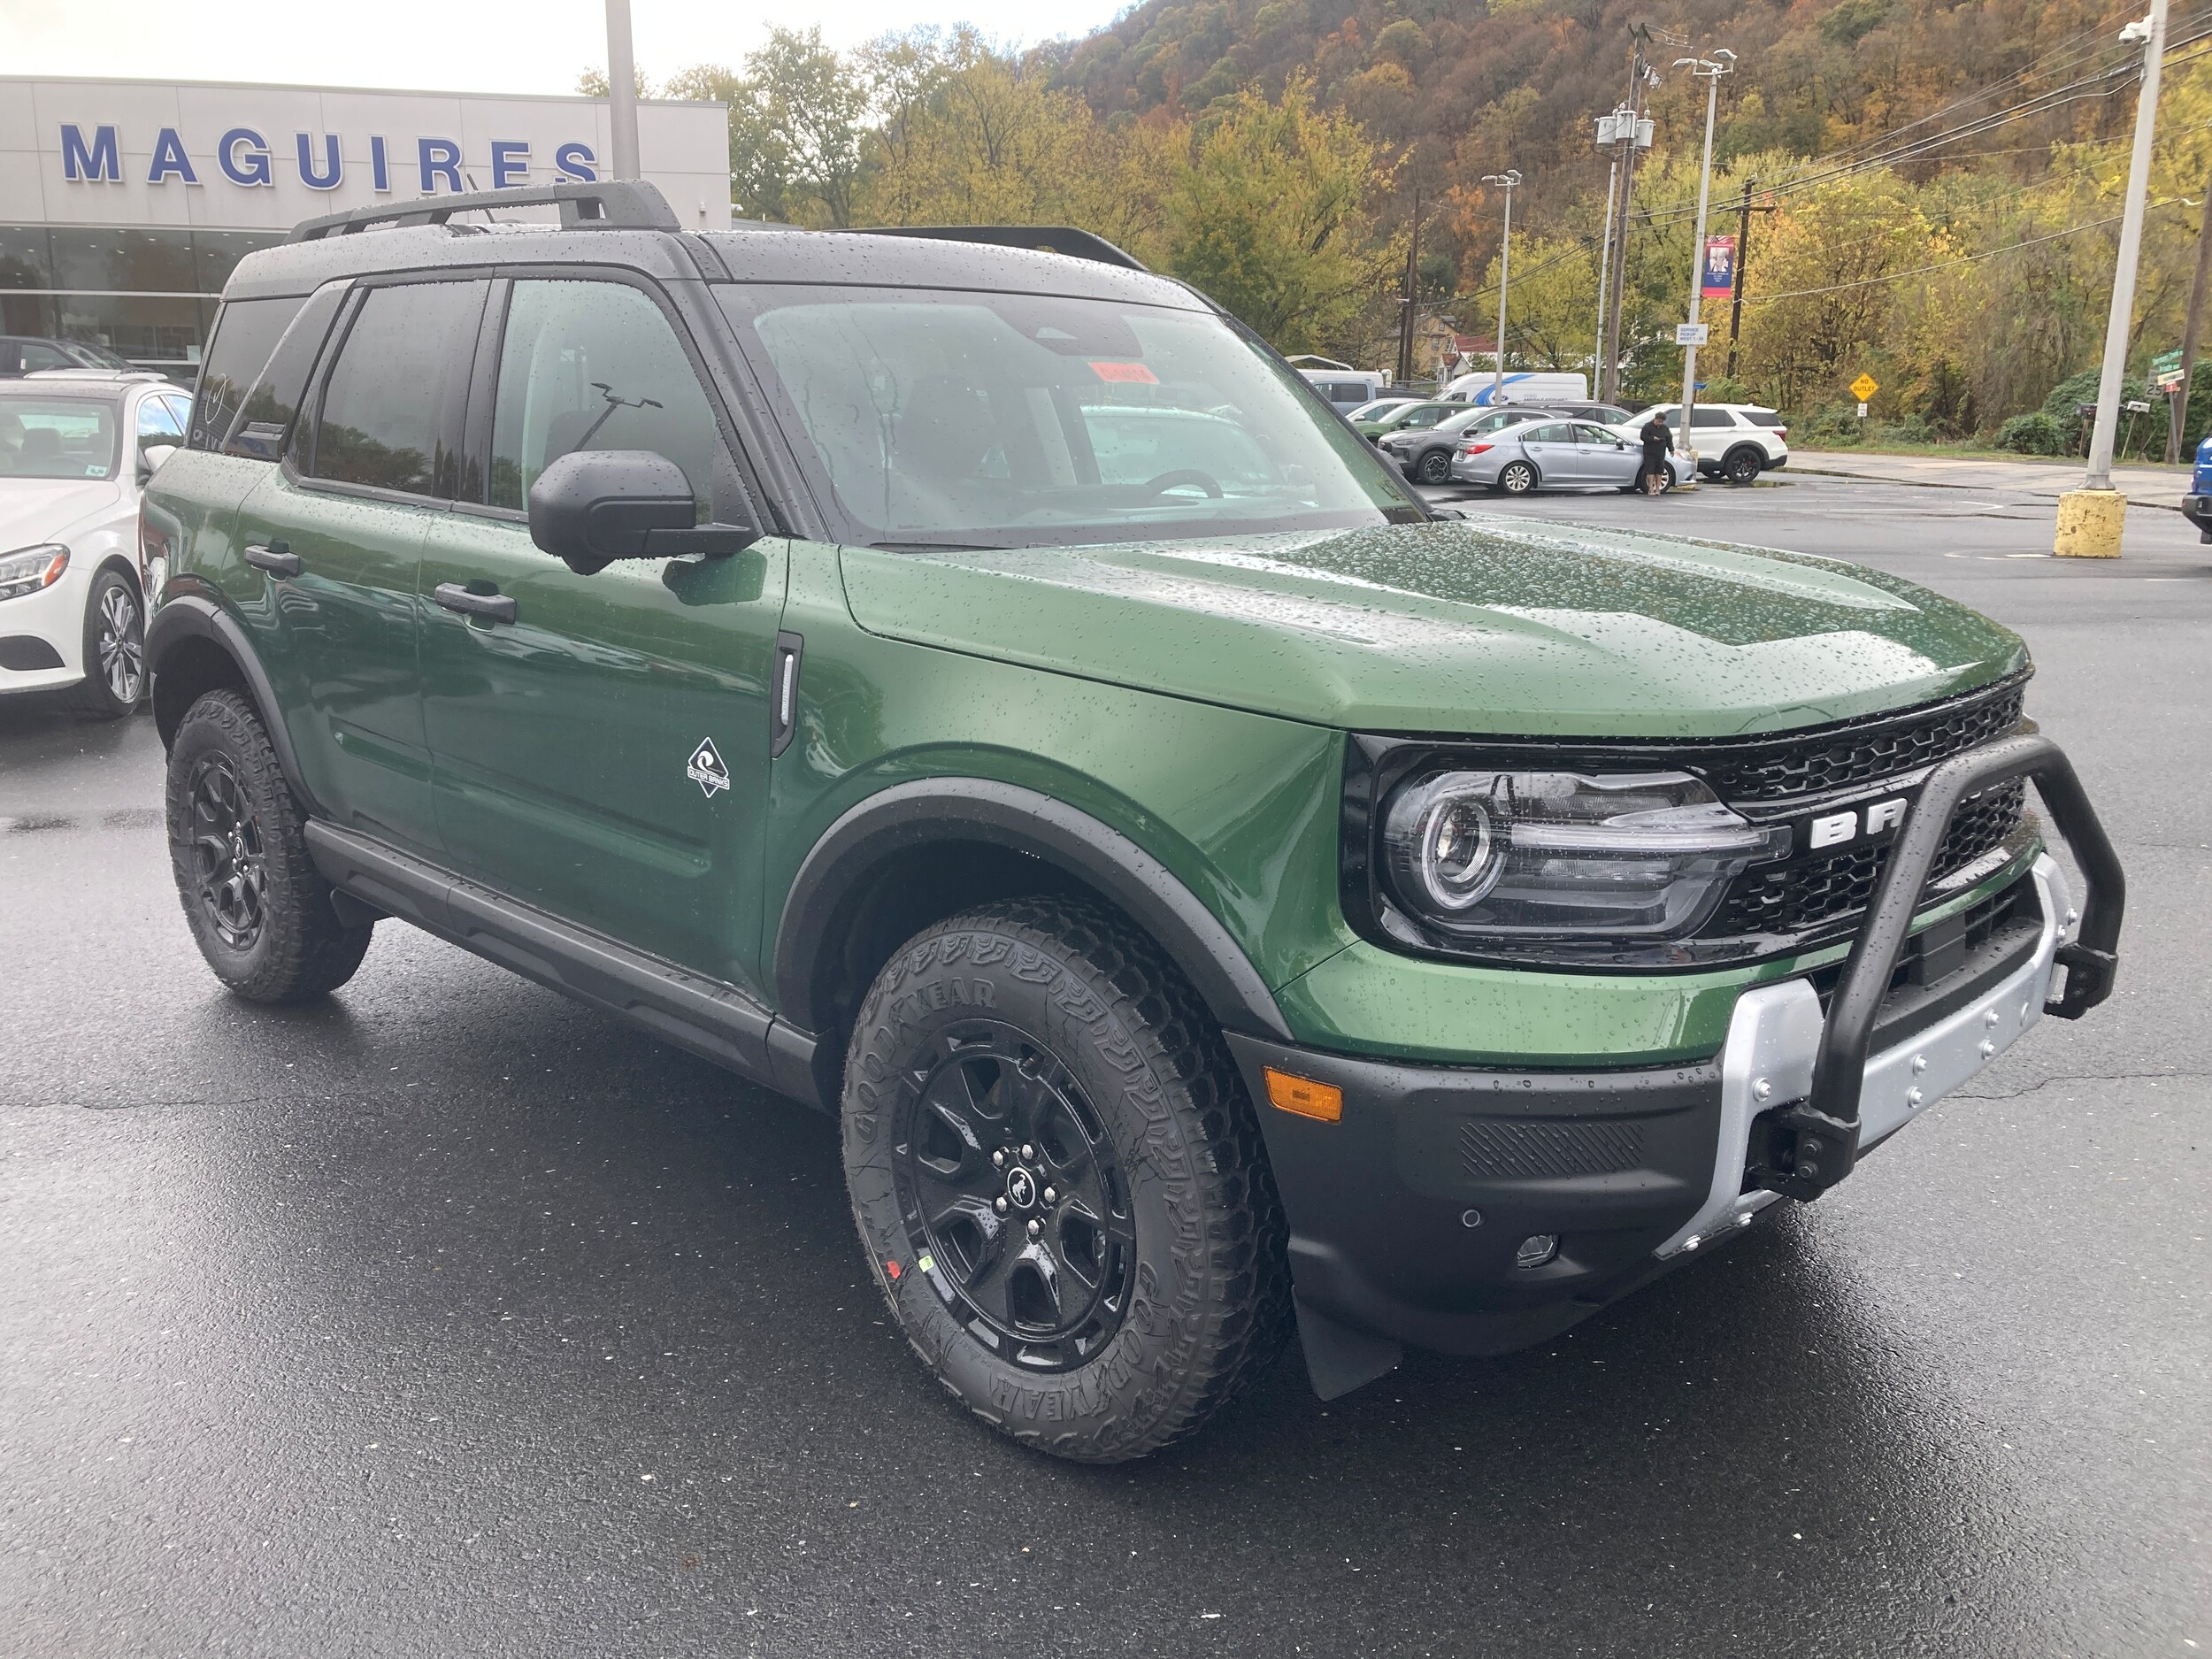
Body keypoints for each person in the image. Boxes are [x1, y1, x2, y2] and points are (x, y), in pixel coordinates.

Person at [1637, 410, 1672, 495]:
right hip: (1649, 452)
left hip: (1660, 452)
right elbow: (1643, 437)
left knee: (1659, 470)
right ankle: (1650, 489)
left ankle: (1657, 489)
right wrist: (1652, 438)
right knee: (1650, 470)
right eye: (1659, 421)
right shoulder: (1647, 426)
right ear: (1655, 419)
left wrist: (1671, 449)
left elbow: (1669, 438)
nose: (1660, 423)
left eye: (1662, 422)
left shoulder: (1665, 428)